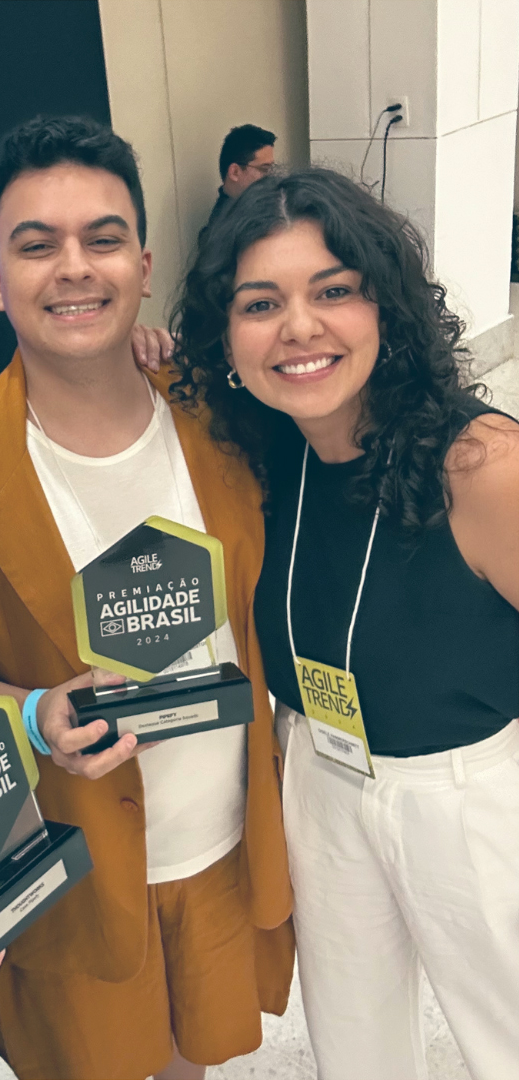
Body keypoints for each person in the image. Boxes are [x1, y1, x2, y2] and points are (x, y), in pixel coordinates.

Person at [0, 115, 294, 1080]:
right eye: (37, 245)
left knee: (190, 1064)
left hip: (223, 845)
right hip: (75, 877)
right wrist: (34, 714)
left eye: (102, 238)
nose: (73, 267)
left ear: (145, 265)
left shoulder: (225, 418)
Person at [170, 167, 519, 1080]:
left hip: (464, 798)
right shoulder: (263, 452)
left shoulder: (482, 467)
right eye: (259, 303)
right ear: (226, 333)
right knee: (355, 1051)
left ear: (386, 308)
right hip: (320, 777)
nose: (299, 327)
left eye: (334, 291)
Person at [201, 124, 276, 240]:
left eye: (272, 168)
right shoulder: (226, 230)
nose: (271, 176)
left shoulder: (255, 210)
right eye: (264, 169)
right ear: (235, 172)